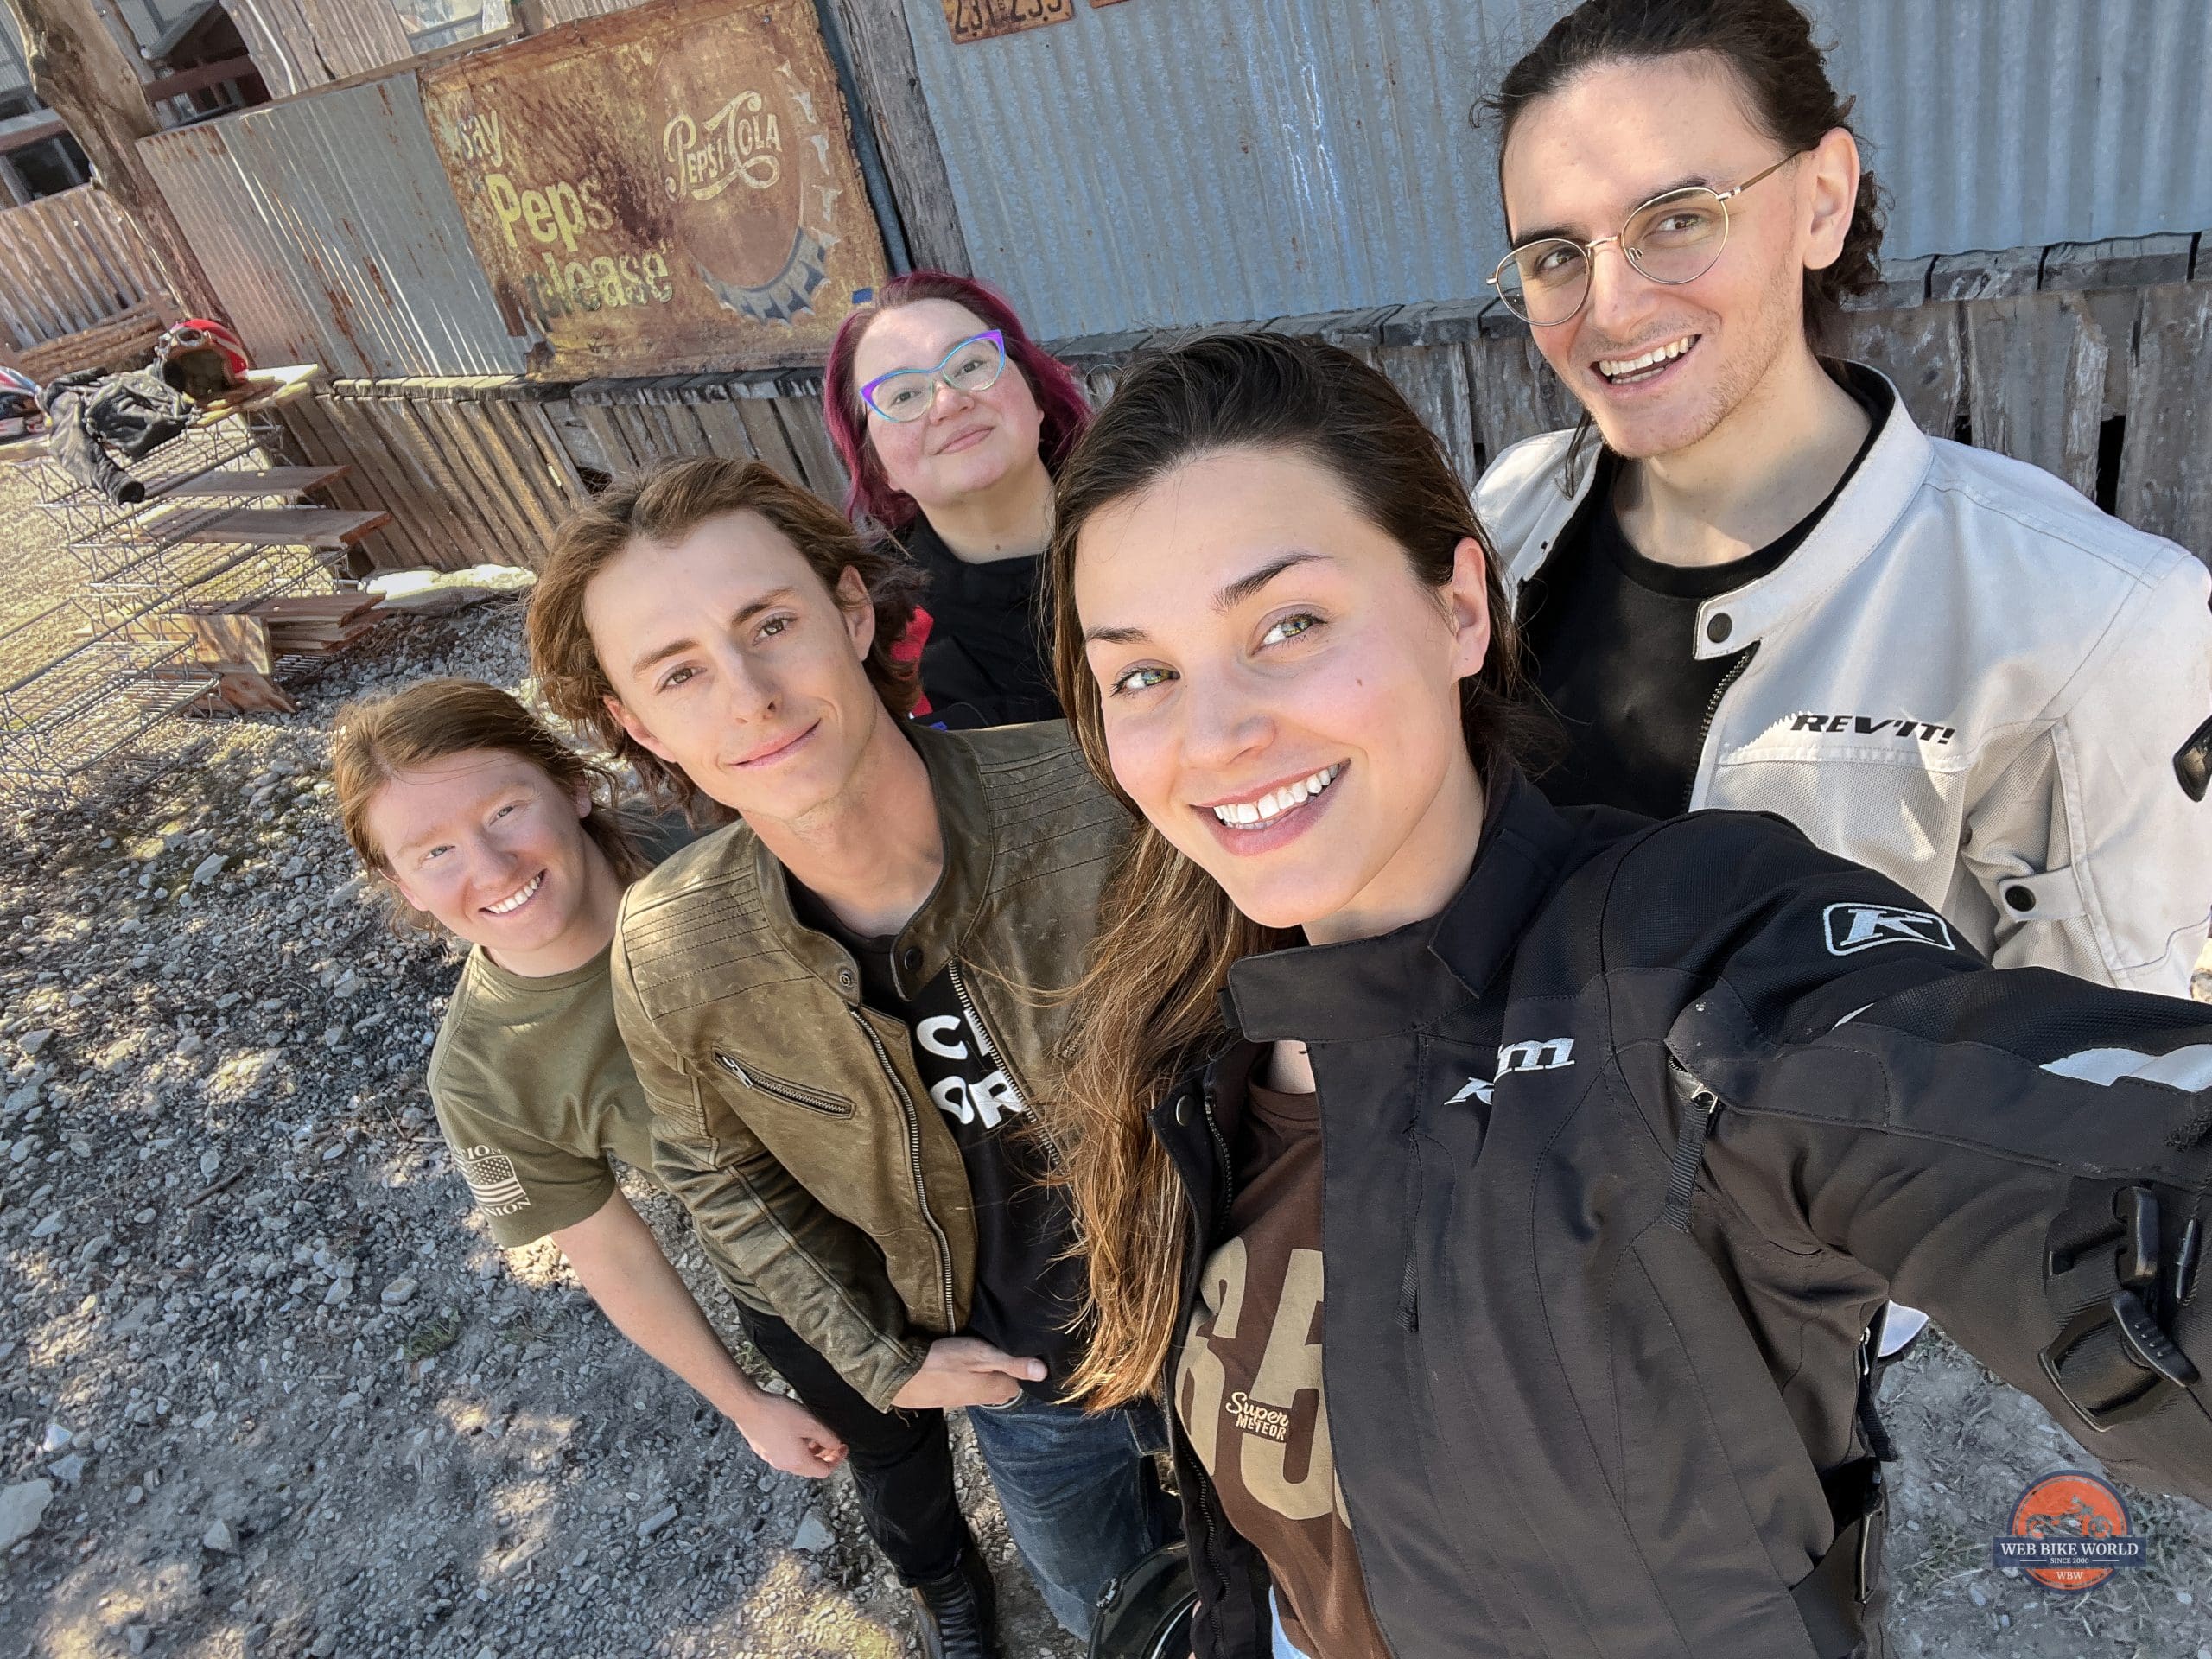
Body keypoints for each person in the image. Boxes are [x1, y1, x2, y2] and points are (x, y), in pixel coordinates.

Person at [1046, 332, 2212, 1659]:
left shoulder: (1682, 962)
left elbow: (2004, 1118)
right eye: (1142, 672)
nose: (1213, 734)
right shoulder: (1189, 1011)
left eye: (1290, 624)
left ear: (1460, 612)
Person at [524, 455, 1179, 1653]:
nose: (747, 695)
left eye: (768, 624)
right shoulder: (673, 952)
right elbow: (722, 1180)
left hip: (1225, 1329)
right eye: (677, 670)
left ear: (852, 611)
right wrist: (885, 1360)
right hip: (1026, 1401)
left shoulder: (1096, 803)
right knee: (1119, 1628)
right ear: (634, 722)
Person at [1473, 0, 2212, 996]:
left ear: (1820, 200)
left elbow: (2113, 1093)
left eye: (1678, 219)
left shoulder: (2092, 624)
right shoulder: (1508, 515)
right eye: (1557, 255)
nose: (1609, 307)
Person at [329, 678, 849, 1479]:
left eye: (504, 811)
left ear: (573, 784)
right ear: (403, 885)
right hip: (801, 1275)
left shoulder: (718, 827)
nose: (492, 867)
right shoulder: (479, 1080)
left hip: (954, 1168)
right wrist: (746, 1405)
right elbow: (611, 1252)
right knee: (894, 1462)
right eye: (434, 853)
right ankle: (942, 1578)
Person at [823, 270, 1091, 726]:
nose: (948, 401)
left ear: (1035, 395)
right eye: (904, 395)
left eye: (969, 365)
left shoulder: (1162, 521)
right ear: (877, 465)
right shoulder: (872, 633)